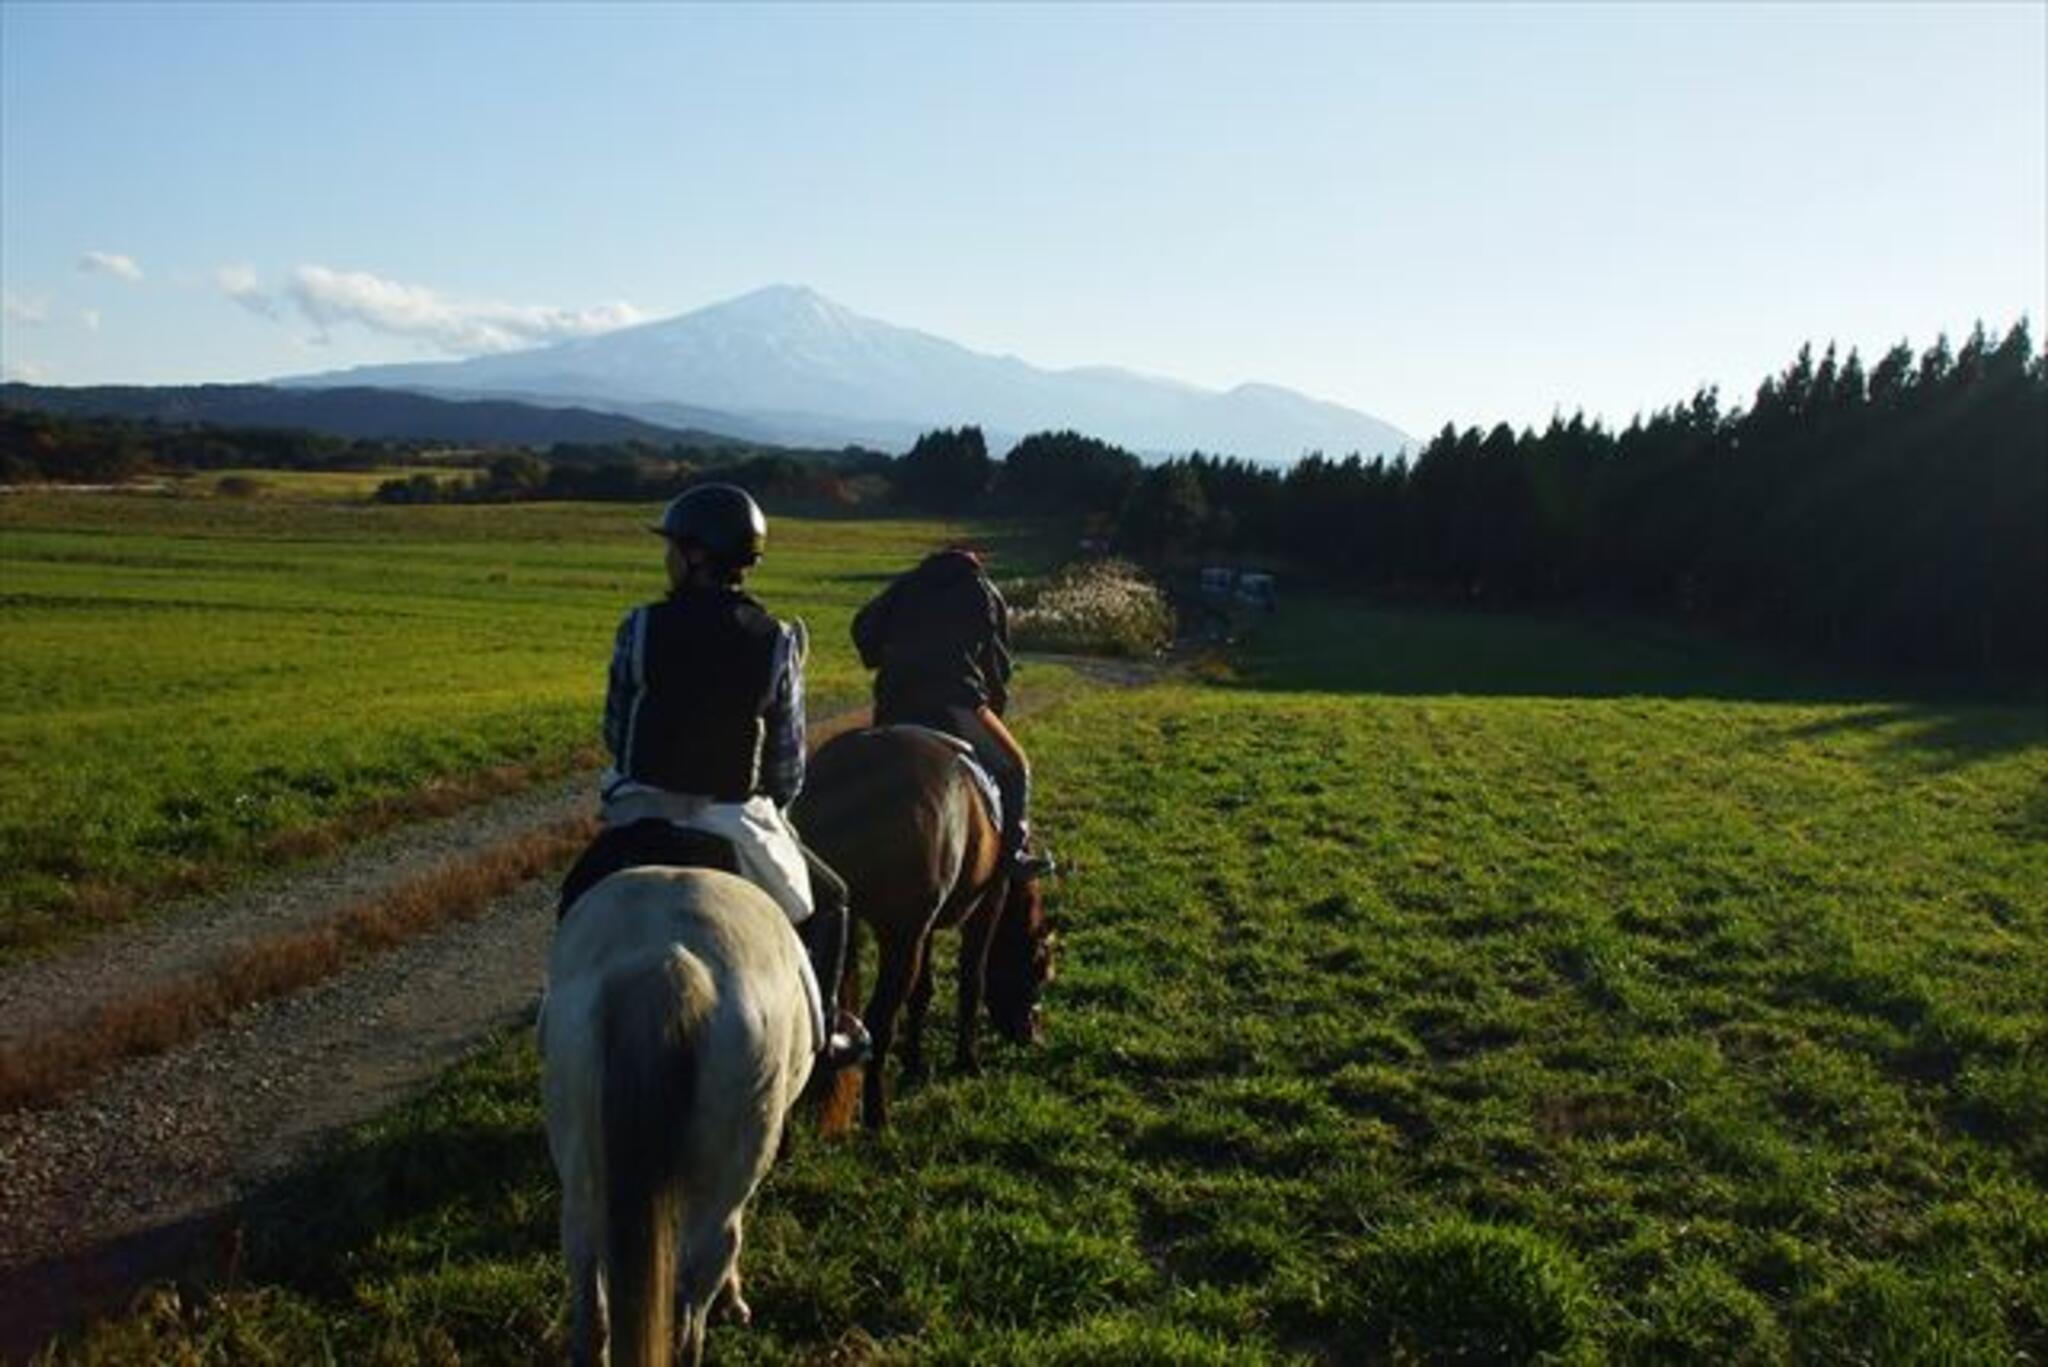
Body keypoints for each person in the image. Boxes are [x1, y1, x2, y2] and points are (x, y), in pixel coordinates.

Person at [558, 483, 869, 1071]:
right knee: (831, 902)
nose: (668, 556)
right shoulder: (776, 641)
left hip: (642, 813)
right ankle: (825, 1033)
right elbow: (786, 764)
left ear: (697, 554)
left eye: (674, 545)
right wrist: (768, 803)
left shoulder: (640, 627)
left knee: (576, 897)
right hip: (734, 820)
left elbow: (617, 731)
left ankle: (560, 1010)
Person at [852, 545, 1054, 880]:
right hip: (955, 701)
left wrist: (882, 657)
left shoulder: (908, 583)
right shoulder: (983, 590)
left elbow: (862, 627)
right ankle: (1013, 857)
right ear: (975, 563)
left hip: (895, 701)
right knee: (1017, 767)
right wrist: (993, 709)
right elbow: (997, 668)